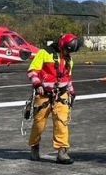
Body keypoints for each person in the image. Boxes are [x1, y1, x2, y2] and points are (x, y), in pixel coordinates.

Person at [26, 33, 80, 164]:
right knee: (39, 124)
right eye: (67, 50)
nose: (69, 53)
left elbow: (68, 78)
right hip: (43, 95)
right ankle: (34, 146)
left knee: (62, 123)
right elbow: (32, 70)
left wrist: (72, 92)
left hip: (61, 96)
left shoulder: (69, 59)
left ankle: (62, 151)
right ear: (62, 45)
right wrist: (37, 83)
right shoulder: (44, 53)